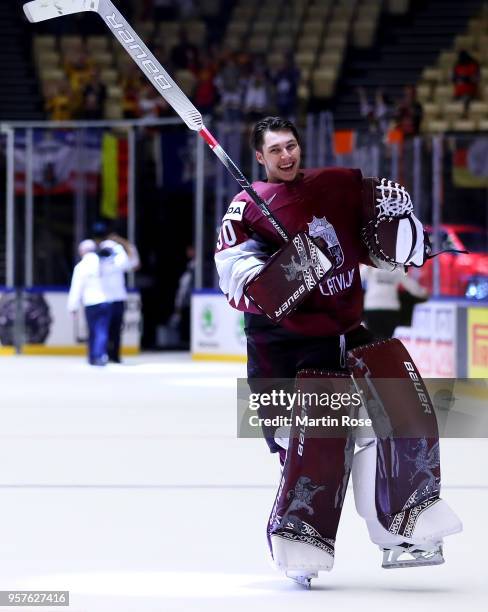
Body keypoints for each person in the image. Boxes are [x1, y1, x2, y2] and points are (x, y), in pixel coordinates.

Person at [214, 116, 461, 586]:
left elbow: (381, 248)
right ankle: (300, 540)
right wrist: (298, 262)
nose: (287, 155)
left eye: (292, 145)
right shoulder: (244, 212)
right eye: (276, 150)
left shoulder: (332, 187)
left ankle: (402, 523)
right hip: (284, 354)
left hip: (347, 338)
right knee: (319, 443)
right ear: (260, 157)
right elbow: (244, 290)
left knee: (398, 412)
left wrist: (399, 233)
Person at [96, 233, 140, 363]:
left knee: (116, 330)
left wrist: (120, 249)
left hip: (118, 298)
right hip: (103, 298)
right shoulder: (97, 262)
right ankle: (102, 354)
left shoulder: (119, 260)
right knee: (103, 329)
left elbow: (129, 264)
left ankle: (115, 355)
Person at [67, 239, 111, 366]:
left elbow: (76, 288)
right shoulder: (105, 262)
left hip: (90, 302)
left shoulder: (81, 266)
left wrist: (72, 307)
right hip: (104, 301)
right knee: (101, 330)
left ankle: (93, 356)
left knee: (92, 330)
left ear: (82, 251)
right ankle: (99, 355)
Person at [361, 265, 429, 338]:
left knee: (375, 341)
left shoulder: (371, 266)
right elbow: (410, 284)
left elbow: (358, 276)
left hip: (374, 307)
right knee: (385, 341)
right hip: (388, 308)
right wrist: (423, 292)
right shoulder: (396, 266)